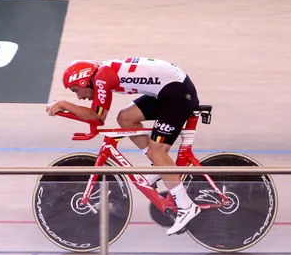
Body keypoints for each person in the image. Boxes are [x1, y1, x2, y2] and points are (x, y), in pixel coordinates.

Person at [46, 57, 201, 236]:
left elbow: (97, 116)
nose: (79, 96)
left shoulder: (102, 78)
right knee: (126, 118)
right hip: (169, 89)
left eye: (76, 90)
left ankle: (186, 206)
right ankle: (160, 167)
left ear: (83, 80)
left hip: (177, 93)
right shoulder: (102, 73)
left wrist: (64, 104)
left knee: (157, 153)